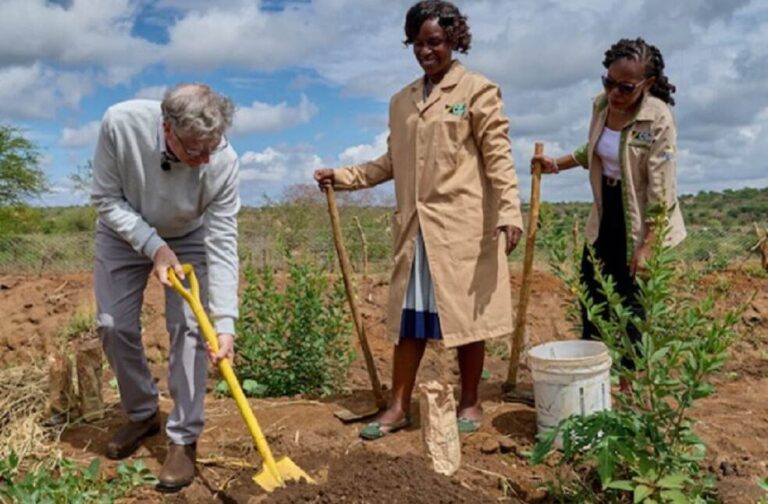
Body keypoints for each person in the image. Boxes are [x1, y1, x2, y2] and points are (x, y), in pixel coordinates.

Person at [314, 0, 523, 439]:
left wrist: (508, 212)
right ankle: (397, 406)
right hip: (414, 230)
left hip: (463, 228)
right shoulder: (402, 102)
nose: (426, 51)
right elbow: (392, 160)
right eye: (418, 43)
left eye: (436, 42)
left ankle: (470, 401)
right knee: (408, 320)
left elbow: (498, 158)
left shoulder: (478, 92)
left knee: (467, 319)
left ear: (454, 41)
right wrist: (344, 177)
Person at [91, 84, 240, 492]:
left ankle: (183, 437)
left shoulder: (223, 161)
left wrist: (224, 322)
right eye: (195, 151)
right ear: (167, 128)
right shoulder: (119, 124)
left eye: (212, 147)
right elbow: (105, 198)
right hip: (123, 229)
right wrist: (153, 246)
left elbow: (224, 240)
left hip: (189, 235)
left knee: (192, 331)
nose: (204, 159)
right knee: (112, 325)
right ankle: (142, 413)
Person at [531, 38, 686, 378]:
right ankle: (593, 378)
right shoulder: (601, 106)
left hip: (645, 219)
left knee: (633, 305)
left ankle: (632, 385)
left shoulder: (657, 119)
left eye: (625, 87)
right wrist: (554, 164)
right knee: (593, 293)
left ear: (646, 84)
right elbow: (594, 150)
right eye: (608, 82)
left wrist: (648, 245)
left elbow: (662, 189)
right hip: (607, 213)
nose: (614, 92)